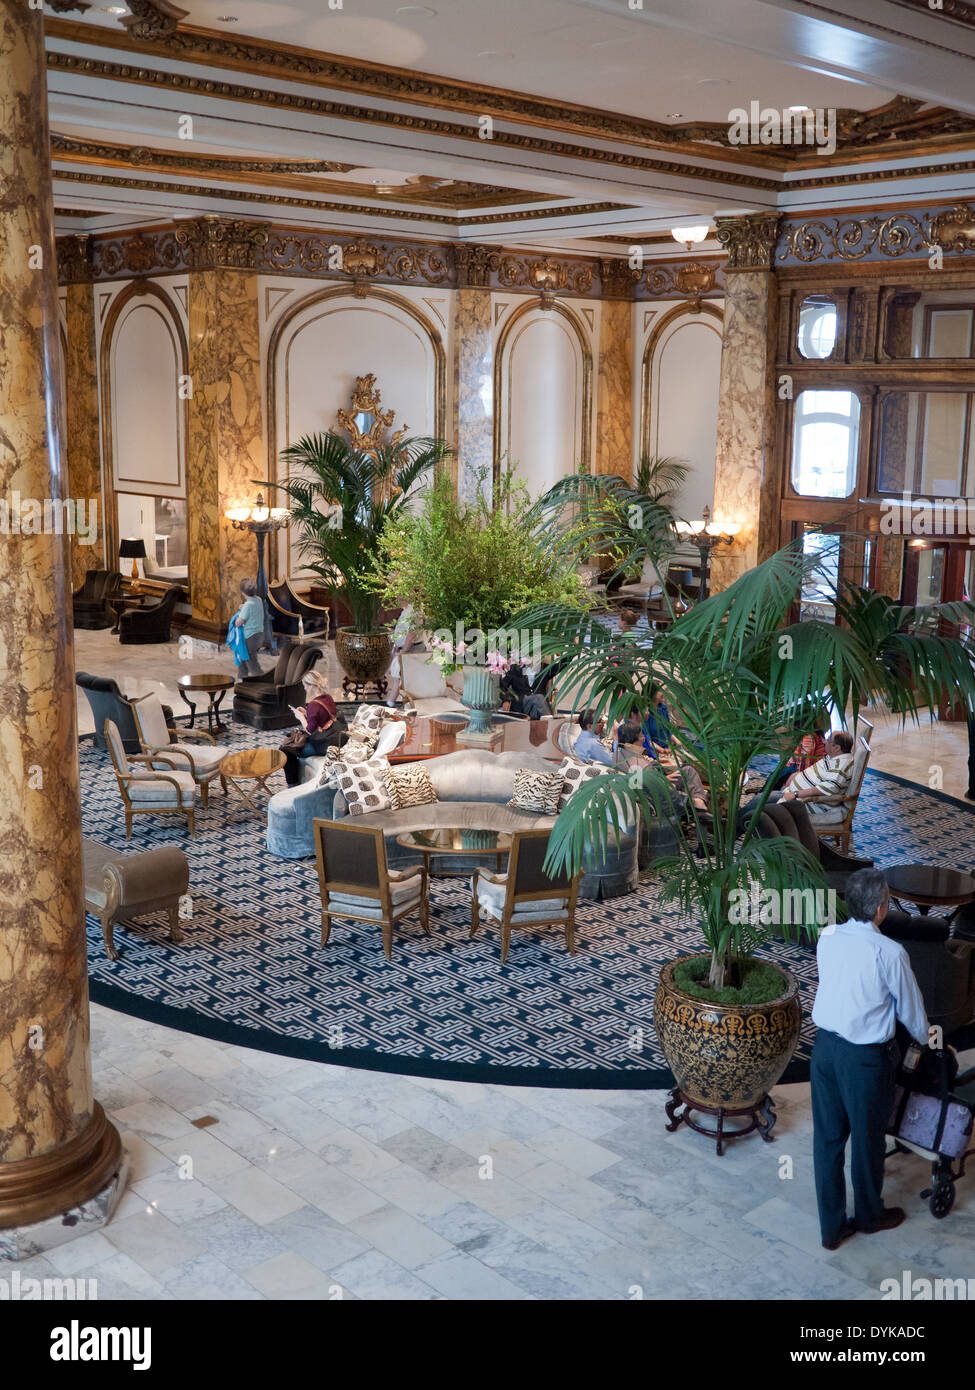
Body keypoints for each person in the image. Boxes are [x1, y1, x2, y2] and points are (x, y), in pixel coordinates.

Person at [810, 868, 929, 1250]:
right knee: (867, 1139)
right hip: (864, 1060)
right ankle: (869, 1215)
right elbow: (911, 1011)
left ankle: (831, 1229)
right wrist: (927, 1040)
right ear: (881, 908)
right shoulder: (890, 953)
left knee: (828, 1139)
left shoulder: (827, 937)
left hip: (824, 1051)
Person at [282, 670, 348, 786]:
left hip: (322, 744)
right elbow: (322, 717)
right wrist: (307, 713)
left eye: (305, 686)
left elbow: (310, 730)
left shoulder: (313, 704)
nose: (304, 689)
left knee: (285, 750)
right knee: (290, 746)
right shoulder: (327, 698)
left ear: (311, 685)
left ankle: (293, 784)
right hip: (334, 737)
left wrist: (301, 717)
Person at [233, 579, 265, 678]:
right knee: (243, 656)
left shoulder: (247, 606)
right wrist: (244, 607)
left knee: (251, 660)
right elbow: (253, 609)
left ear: (242, 592)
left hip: (250, 637)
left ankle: (261, 679)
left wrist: (236, 619)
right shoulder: (258, 600)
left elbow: (239, 622)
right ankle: (242, 676)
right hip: (259, 635)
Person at [642, 685, 672, 755]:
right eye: (660, 690)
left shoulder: (663, 707)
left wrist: (679, 743)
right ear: (651, 692)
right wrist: (662, 751)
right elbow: (646, 739)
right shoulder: (645, 713)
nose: (663, 692)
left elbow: (668, 731)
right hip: (653, 752)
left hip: (666, 749)